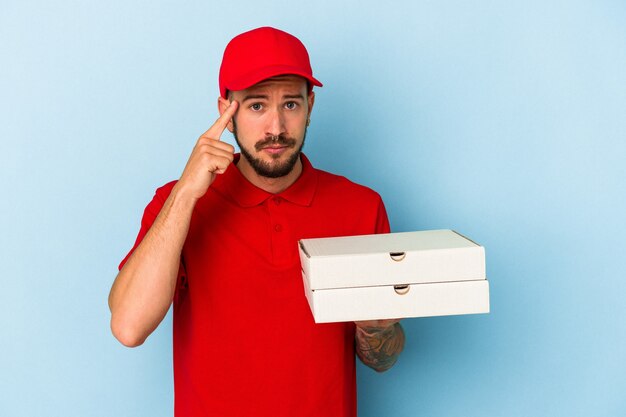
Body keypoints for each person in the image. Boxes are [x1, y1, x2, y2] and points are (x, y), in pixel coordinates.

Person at [108, 26, 405, 417]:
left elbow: (383, 359)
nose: (276, 128)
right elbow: (129, 327)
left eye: (291, 105)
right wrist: (185, 194)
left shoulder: (360, 206)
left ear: (310, 107)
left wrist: (377, 328)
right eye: (256, 105)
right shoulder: (175, 203)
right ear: (225, 112)